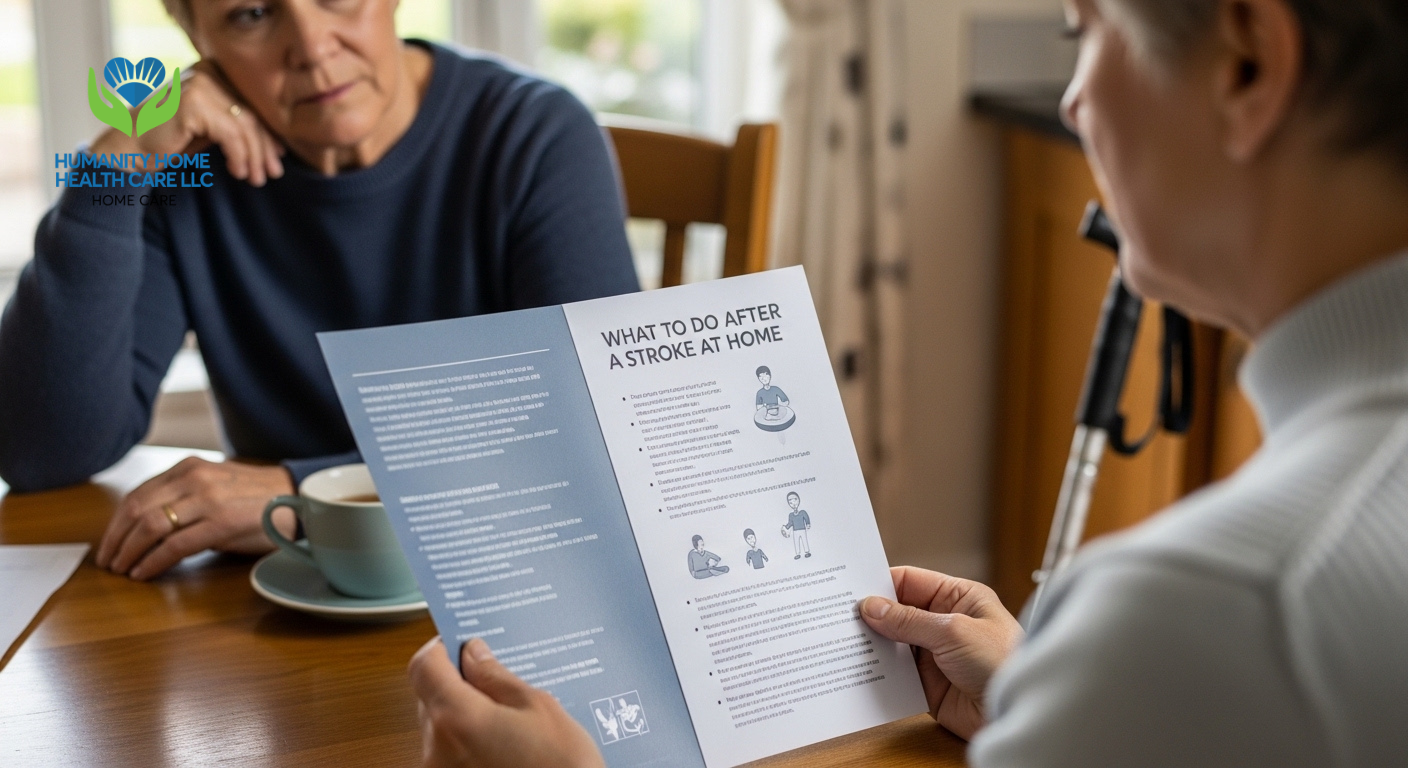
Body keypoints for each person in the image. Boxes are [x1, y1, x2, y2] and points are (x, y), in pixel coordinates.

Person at [408, 0, 1408, 764]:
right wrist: (1042, 704)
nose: (1071, 98)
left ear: (1247, 65)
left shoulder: (1214, 612)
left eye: (1083, 31)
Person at [0, 0, 637, 581]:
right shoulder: (186, 169)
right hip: (279, 598)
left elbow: (591, 443)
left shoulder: (535, 135)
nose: (311, 46)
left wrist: (302, 497)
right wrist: (114, 169)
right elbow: (42, 452)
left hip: (513, 580)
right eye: (251, 14)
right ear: (194, 36)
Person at [782, 491, 811, 559]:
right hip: (795, 531)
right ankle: (797, 553)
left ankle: (807, 552)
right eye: (790, 502)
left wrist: (808, 523)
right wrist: (786, 527)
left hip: (802, 529)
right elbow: (790, 523)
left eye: (795, 500)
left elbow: (806, 518)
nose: (793, 503)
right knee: (796, 542)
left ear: (799, 500)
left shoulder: (802, 512)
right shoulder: (791, 515)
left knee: (804, 540)